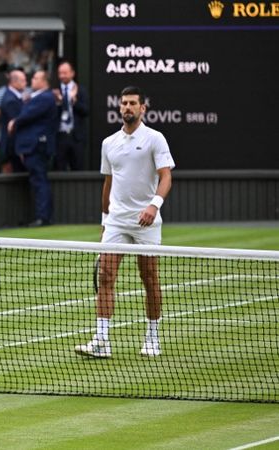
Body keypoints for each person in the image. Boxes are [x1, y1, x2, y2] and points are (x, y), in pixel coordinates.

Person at [75, 86, 175, 359]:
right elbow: (108, 183)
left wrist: (154, 206)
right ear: (120, 108)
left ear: (143, 108)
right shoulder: (109, 144)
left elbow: (166, 177)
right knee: (105, 276)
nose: (127, 107)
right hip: (117, 222)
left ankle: (152, 338)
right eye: (124, 103)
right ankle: (102, 340)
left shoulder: (155, 139)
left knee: (149, 278)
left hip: (147, 222)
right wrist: (105, 221)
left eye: (132, 103)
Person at [8, 70, 58, 227]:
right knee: (38, 180)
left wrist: (15, 122)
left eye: (35, 78)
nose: (32, 80)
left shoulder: (45, 97)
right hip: (31, 146)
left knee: (40, 180)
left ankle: (43, 217)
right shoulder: (38, 97)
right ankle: (42, 216)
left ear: (44, 81)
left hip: (36, 146)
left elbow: (27, 115)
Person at [53, 60, 89, 171]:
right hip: (60, 136)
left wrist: (73, 101)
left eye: (65, 73)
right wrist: (59, 102)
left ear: (72, 73)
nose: (62, 76)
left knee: (78, 168)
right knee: (59, 169)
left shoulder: (81, 90)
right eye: (60, 73)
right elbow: (50, 115)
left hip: (76, 136)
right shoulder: (55, 91)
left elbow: (86, 111)